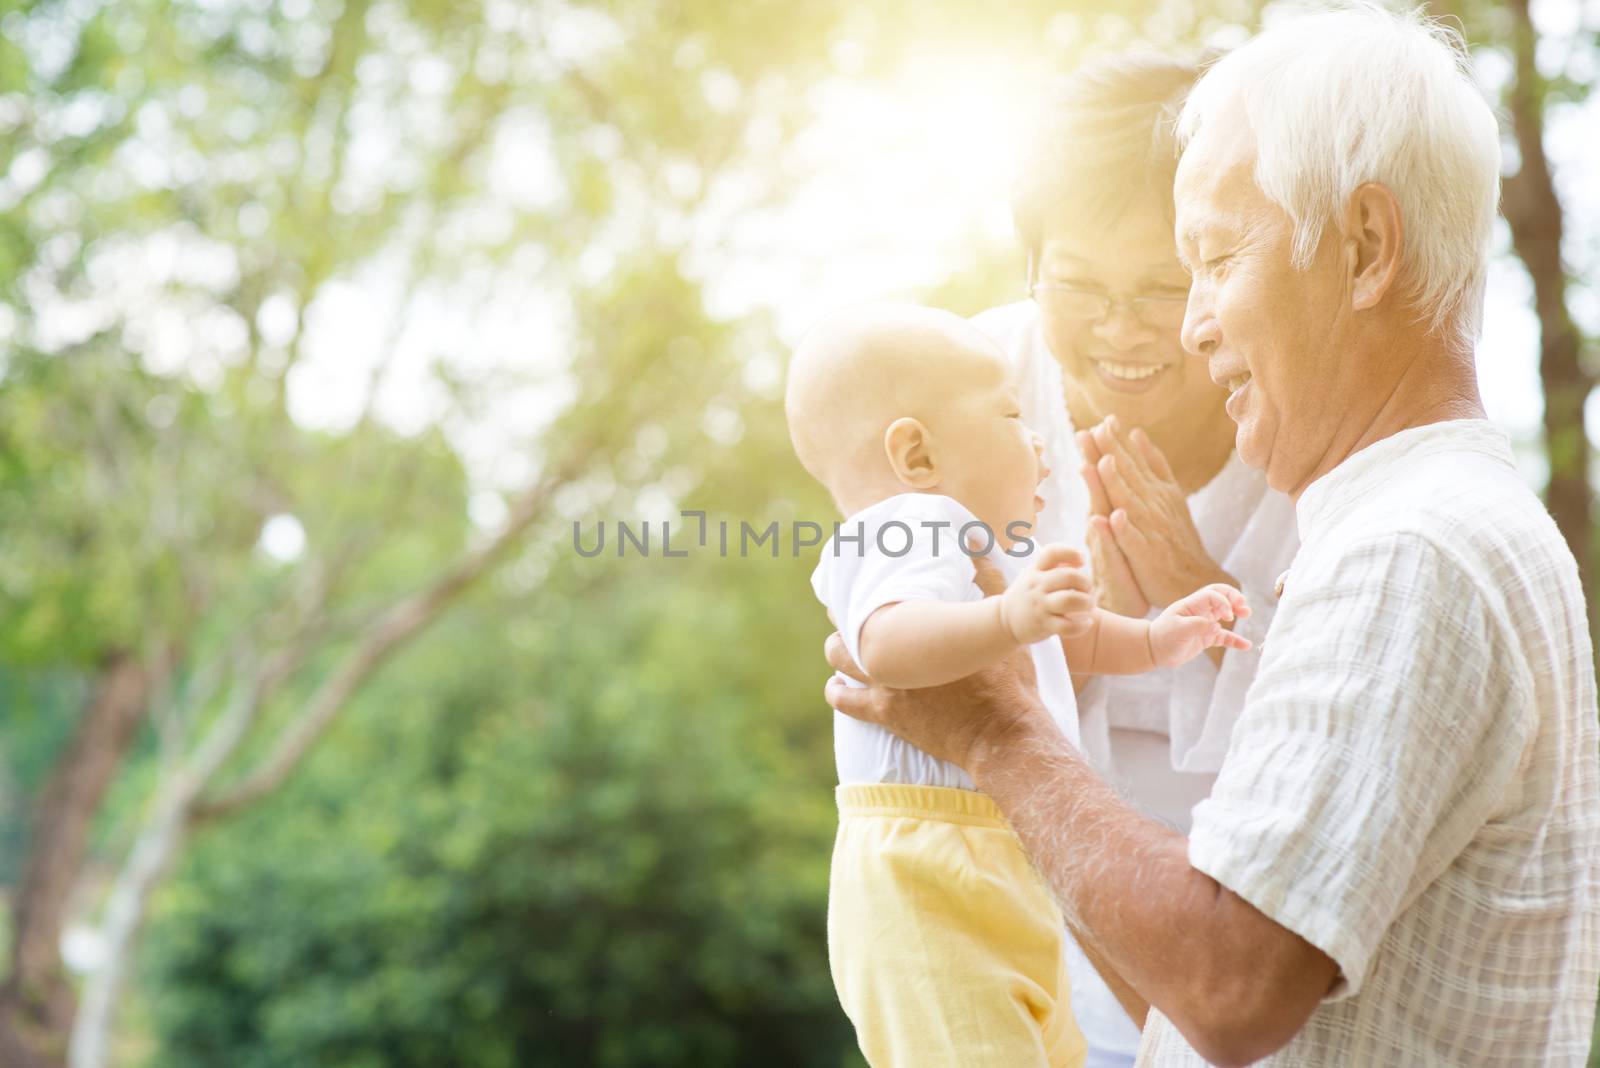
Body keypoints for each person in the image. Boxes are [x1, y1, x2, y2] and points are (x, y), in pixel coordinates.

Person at [826, 5, 1600, 1065]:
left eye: (1211, 262)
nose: (1186, 326)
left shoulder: (1408, 554)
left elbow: (1227, 989)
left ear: (1365, 247)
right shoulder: (1415, 523)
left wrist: (995, 730)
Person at [785, 303, 1250, 1068]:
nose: (1038, 438)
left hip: (1004, 861)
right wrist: (1011, 617)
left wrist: (1161, 637)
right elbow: (887, 646)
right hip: (926, 874)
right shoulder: (901, 525)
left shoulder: (988, 551)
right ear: (916, 454)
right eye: (1011, 415)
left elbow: (1073, 649)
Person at [972, 52, 1300, 1067]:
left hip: (1227, 964)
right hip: (1008, 956)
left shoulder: (1305, 430)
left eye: (1162, 286)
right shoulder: (968, 390)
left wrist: (1205, 610)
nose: (1119, 331)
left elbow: (1347, 751)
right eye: (1075, 286)